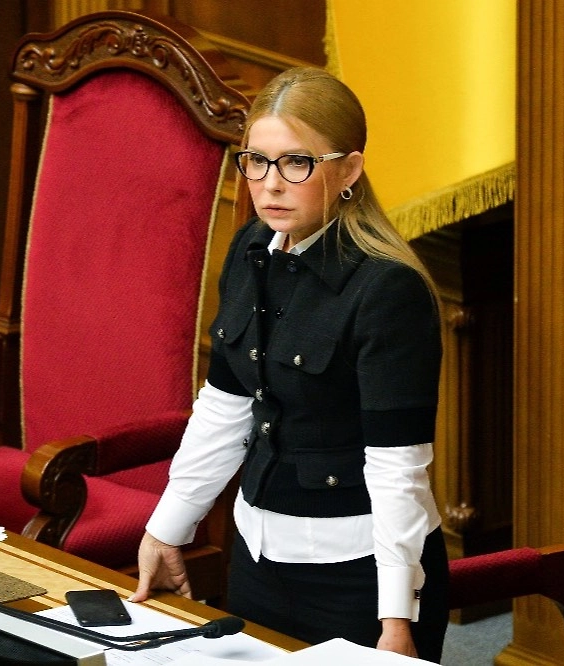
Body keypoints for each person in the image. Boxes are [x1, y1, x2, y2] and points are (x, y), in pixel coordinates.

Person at [129, 66, 449, 662]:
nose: (270, 184)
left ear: (348, 170)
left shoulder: (388, 291)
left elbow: (396, 470)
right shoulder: (251, 248)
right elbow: (225, 405)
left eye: (296, 163)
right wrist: (167, 527)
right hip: (257, 559)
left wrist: (397, 618)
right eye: (257, 161)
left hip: (357, 576)